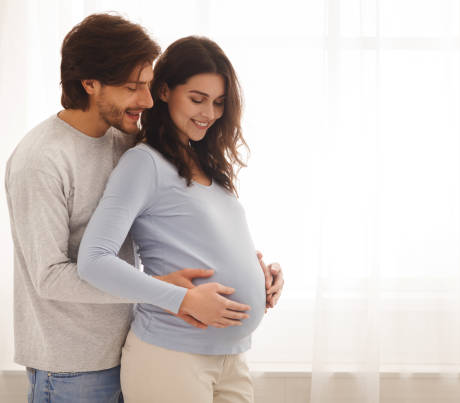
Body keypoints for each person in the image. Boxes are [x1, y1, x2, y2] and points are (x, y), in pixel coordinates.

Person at [4, 14, 284, 403]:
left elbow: (172, 224)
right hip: (72, 362)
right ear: (90, 83)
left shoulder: (123, 139)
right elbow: (49, 276)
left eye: (150, 86)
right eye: (134, 88)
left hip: (128, 341)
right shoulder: (41, 159)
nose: (148, 101)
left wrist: (247, 267)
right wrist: (171, 295)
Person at [77, 35, 272, 403]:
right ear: (164, 91)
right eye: (197, 99)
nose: (209, 114)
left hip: (230, 357)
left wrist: (259, 272)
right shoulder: (144, 163)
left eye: (218, 103)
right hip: (171, 356)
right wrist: (182, 299)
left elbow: (204, 241)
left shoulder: (211, 166)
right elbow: (93, 261)